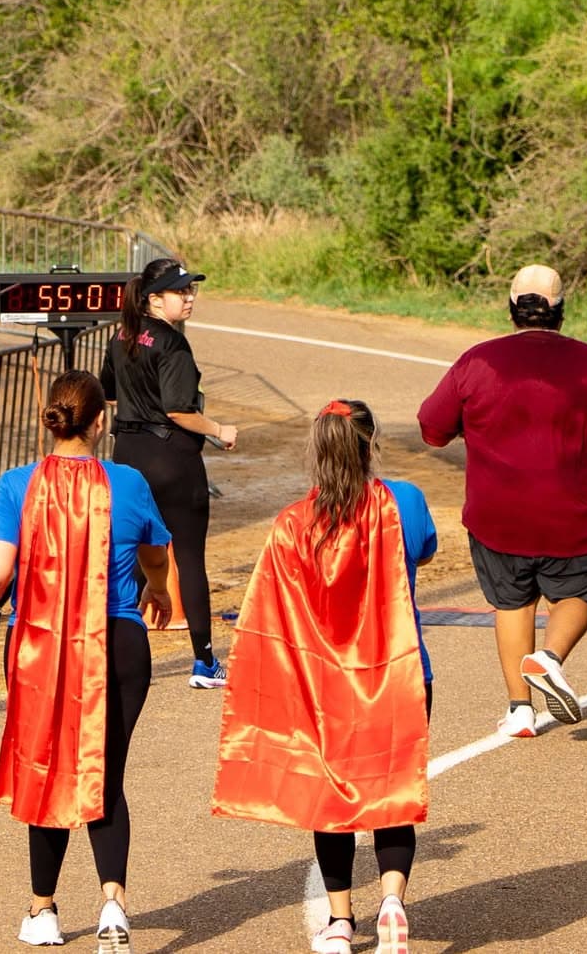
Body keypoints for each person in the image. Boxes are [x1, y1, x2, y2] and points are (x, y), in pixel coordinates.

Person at [213, 400, 434, 954]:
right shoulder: (404, 501)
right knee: (391, 791)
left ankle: (340, 921)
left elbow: (273, 611)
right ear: (370, 443)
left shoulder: (292, 523)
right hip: (398, 675)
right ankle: (392, 901)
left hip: (320, 687)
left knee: (329, 801)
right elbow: (425, 549)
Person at [0, 369, 172, 953]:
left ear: (50, 421)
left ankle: (43, 909)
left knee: (46, 765)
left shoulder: (16, 484)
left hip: (40, 643)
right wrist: (157, 589)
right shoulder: (128, 482)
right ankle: (113, 905)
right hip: (119, 639)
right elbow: (156, 553)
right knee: (106, 770)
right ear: (100, 422)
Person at [417, 264, 587, 738]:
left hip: (496, 515)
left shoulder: (477, 362)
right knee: (584, 587)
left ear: (512, 311)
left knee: (512, 603)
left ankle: (520, 710)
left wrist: (474, 429)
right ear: (561, 312)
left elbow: (433, 429)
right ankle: (549, 657)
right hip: (575, 514)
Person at [101, 257, 237, 689]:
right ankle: (204, 661)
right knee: (189, 557)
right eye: (181, 291)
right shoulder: (173, 344)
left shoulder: (121, 334)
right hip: (171, 458)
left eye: (191, 289)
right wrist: (219, 430)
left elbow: (108, 394)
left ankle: (107, 649)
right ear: (155, 300)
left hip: (127, 454)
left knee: (129, 551)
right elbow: (179, 410)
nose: (190, 297)